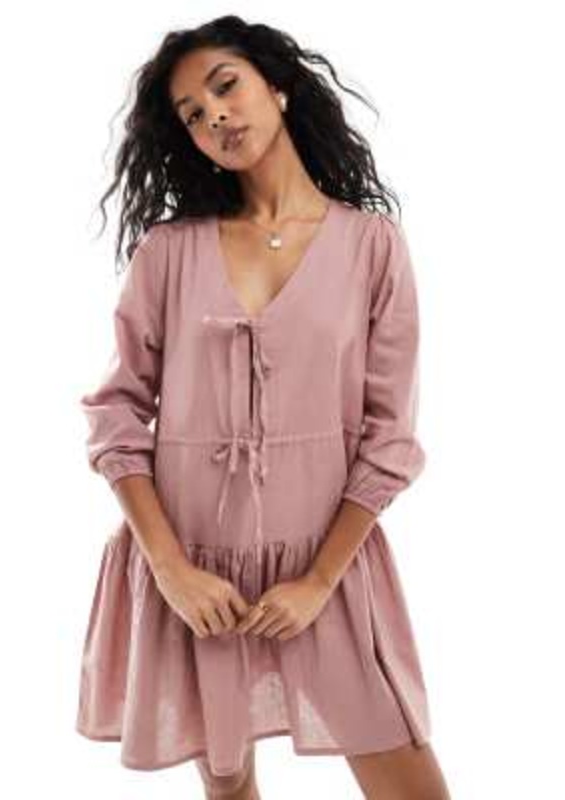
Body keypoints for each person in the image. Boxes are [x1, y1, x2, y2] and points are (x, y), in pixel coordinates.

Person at [75, 15, 451, 800]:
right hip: (193, 574)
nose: (215, 116)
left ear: (276, 87)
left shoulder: (372, 246)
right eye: (192, 114)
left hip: (326, 568)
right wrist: (171, 570)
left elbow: (389, 437)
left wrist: (317, 580)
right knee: (229, 788)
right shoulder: (169, 253)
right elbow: (116, 416)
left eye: (226, 87)